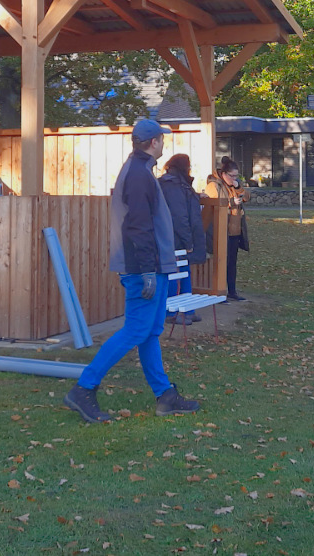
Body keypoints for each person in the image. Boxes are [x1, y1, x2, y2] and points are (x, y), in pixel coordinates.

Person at [64, 119, 201, 423]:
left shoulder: (140, 171)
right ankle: (84, 388)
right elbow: (138, 226)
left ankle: (165, 396)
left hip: (151, 266)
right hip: (143, 268)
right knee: (135, 331)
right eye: (161, 140)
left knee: (150, 332)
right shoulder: (139, 175)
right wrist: (148, 271)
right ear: (153, 143)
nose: (164, 144)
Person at [158, 153, 208, 324]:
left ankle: (187, 310)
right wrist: (188, 241)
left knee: (184, 272)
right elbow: (179, 216)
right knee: (174, 274)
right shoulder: (173, 185)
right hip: (175, 238)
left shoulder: (176, 183)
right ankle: (171, 312)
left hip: (175, 237)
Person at [206, 156, 250, 300]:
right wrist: (231, 202)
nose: (234, 179)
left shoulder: (234, 185)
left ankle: (232, 291)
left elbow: (247, 197)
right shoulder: (214, 185)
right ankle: (218, 291)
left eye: (237, 176)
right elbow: (214, 204)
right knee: (220, 262)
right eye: (232, 176)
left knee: (232, 262)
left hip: (234, 230)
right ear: (223, 174)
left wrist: (238, 187)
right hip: (221, 230)